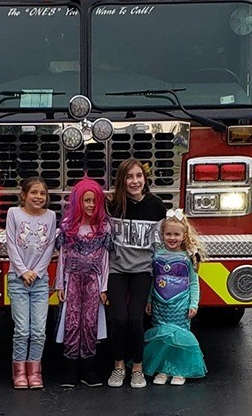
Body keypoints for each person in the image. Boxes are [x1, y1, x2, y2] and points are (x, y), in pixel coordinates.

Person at [105, 159, 167, 389]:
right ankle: (118, 366)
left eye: (139, 176)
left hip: (143, 270)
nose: (135, 181)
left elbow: (165, 239)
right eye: (129, 177)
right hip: (117, 269)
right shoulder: (112, 205)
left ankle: (137, 369)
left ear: (145, 179)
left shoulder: (156, 206)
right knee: (118, 318)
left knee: (136, 320)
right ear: (122, 181)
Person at [54, 178, 111, 388]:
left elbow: (106, 260)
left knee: (90, 322)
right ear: (78, 202)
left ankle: (89, 369)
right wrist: (60, 284)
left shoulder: (103, 229)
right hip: (73, 280)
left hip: (94, 282)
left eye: (95, 201)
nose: (90, 205)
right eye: (86, 200)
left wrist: (104, 287)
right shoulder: (68, 228)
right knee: (71, 322)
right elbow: (62, 258)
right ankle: (70, 370)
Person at [143, 209, 207, 386]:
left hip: (180, 305)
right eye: (168, 234)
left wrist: (193, 303)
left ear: (184, 235)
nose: (172, 238)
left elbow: (194, 283)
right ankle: (163, 369)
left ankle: (179, 370)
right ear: (162, 234)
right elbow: (153, 280)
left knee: (180, 338)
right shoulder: (157, 255)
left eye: (176, 234)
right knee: (162, 338)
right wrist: (149, 300)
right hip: (160, 304)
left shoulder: (188, 257)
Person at [5, 177, 56, 389]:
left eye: (42, 193)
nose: (38, 197)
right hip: (18, 279)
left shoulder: (51, 216)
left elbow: (50, 245)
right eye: (34, 192)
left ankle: (35, 372)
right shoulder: (13, 214)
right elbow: (10, 243)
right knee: (22, 329)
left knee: (38, 330)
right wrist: (23, 271)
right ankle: (19, 372)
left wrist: (37, 272)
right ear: (23, 195)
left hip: (40, 280)